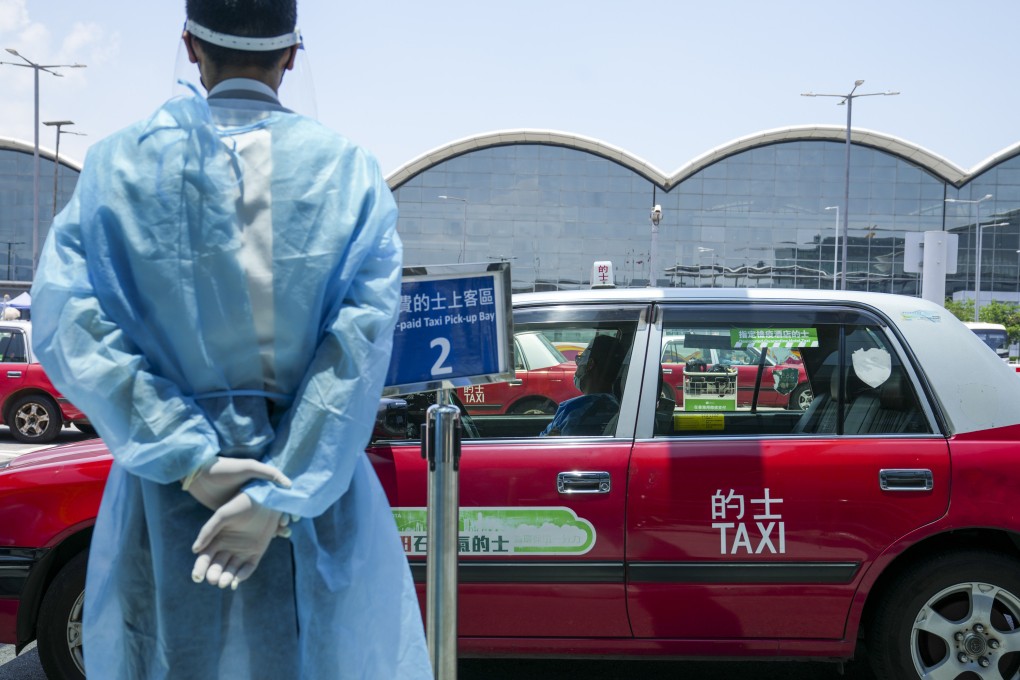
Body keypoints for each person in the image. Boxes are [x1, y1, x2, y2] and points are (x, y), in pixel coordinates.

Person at [30, 2, 431, 678]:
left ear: (189, 46)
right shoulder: (351, 177)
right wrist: (280, 492)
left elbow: (67, 321)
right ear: (293, 54)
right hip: (313, 507)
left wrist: (188, 456)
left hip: (164, 504)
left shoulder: (117, 168)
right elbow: (352, 360)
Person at [540, 334, 623, 436]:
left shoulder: (577, 413)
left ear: (590, 365)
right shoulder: (616, 406)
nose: (577, 365)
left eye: (580, 359)